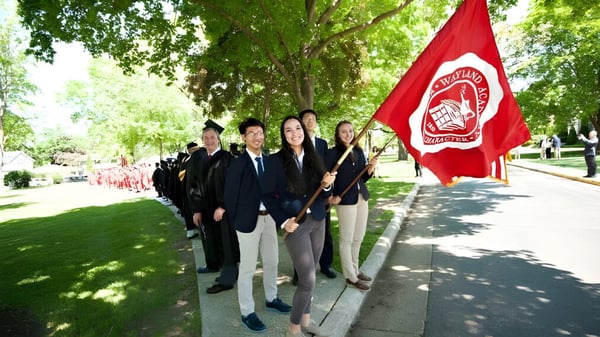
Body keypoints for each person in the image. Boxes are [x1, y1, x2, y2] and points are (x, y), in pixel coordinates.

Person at [264, 116, 336, 337]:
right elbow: (267, 195)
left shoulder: (314, 157)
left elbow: (324, 193)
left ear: (304, 130)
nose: (294, 133)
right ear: (283, 135)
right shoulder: (275, 161)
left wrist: (327, 185)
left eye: (298, 128)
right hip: (295, 225)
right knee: (307, 279)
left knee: (311, 273)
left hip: (318, 219)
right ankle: (293, 329)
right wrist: (284, 221)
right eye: (288, 130)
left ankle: (306, 321)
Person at [224, 117, 291, 333]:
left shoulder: (270, 161)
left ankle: (272, 299)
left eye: (259, 132)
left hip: (269, 218)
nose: (257, 136)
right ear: (243, 137)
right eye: (251, 133)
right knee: (248, 268)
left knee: (272, 261)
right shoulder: (238, 164)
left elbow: (278, 191)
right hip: (247, 222)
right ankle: (247, 312)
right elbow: (230, 196)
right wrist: (239, 221)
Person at [326, 120, 378, 292]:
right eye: (343, 132)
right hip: (345, 200)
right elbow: (327, 177)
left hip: (361, 197)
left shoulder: (358, 151)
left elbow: (362, 178)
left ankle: (355, 269)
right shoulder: (333, 154)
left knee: (358, 237)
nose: (348, 134)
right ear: (338, 135)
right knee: (346, 239)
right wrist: (331, 196)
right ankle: (350, 277)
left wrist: (370, 168)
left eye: (350, 131)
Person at [198, 120, 239, 294]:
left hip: (224, 211)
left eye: (212, 137)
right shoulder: (203, 159)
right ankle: (226, 274)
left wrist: (222, 206)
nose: (209, 141)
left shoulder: (226, 158)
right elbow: (198, 186)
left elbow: (232, 185)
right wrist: (197, 209)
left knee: (228, 243)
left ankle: (227, 280)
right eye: (206, 138)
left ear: (218, 139)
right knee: (218, 243)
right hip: (209, 211)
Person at [299, 109, 336, 280]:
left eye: (313, 119)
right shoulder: (296, 142)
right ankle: (299, 272)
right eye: (307, 119)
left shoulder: (322, 144)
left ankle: (325, 265)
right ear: (301, 122)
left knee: (324, 233)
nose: (310, 121)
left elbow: (327, 169)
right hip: (302, 194)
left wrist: (329, 191)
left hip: (322, 194)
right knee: (300, 235)